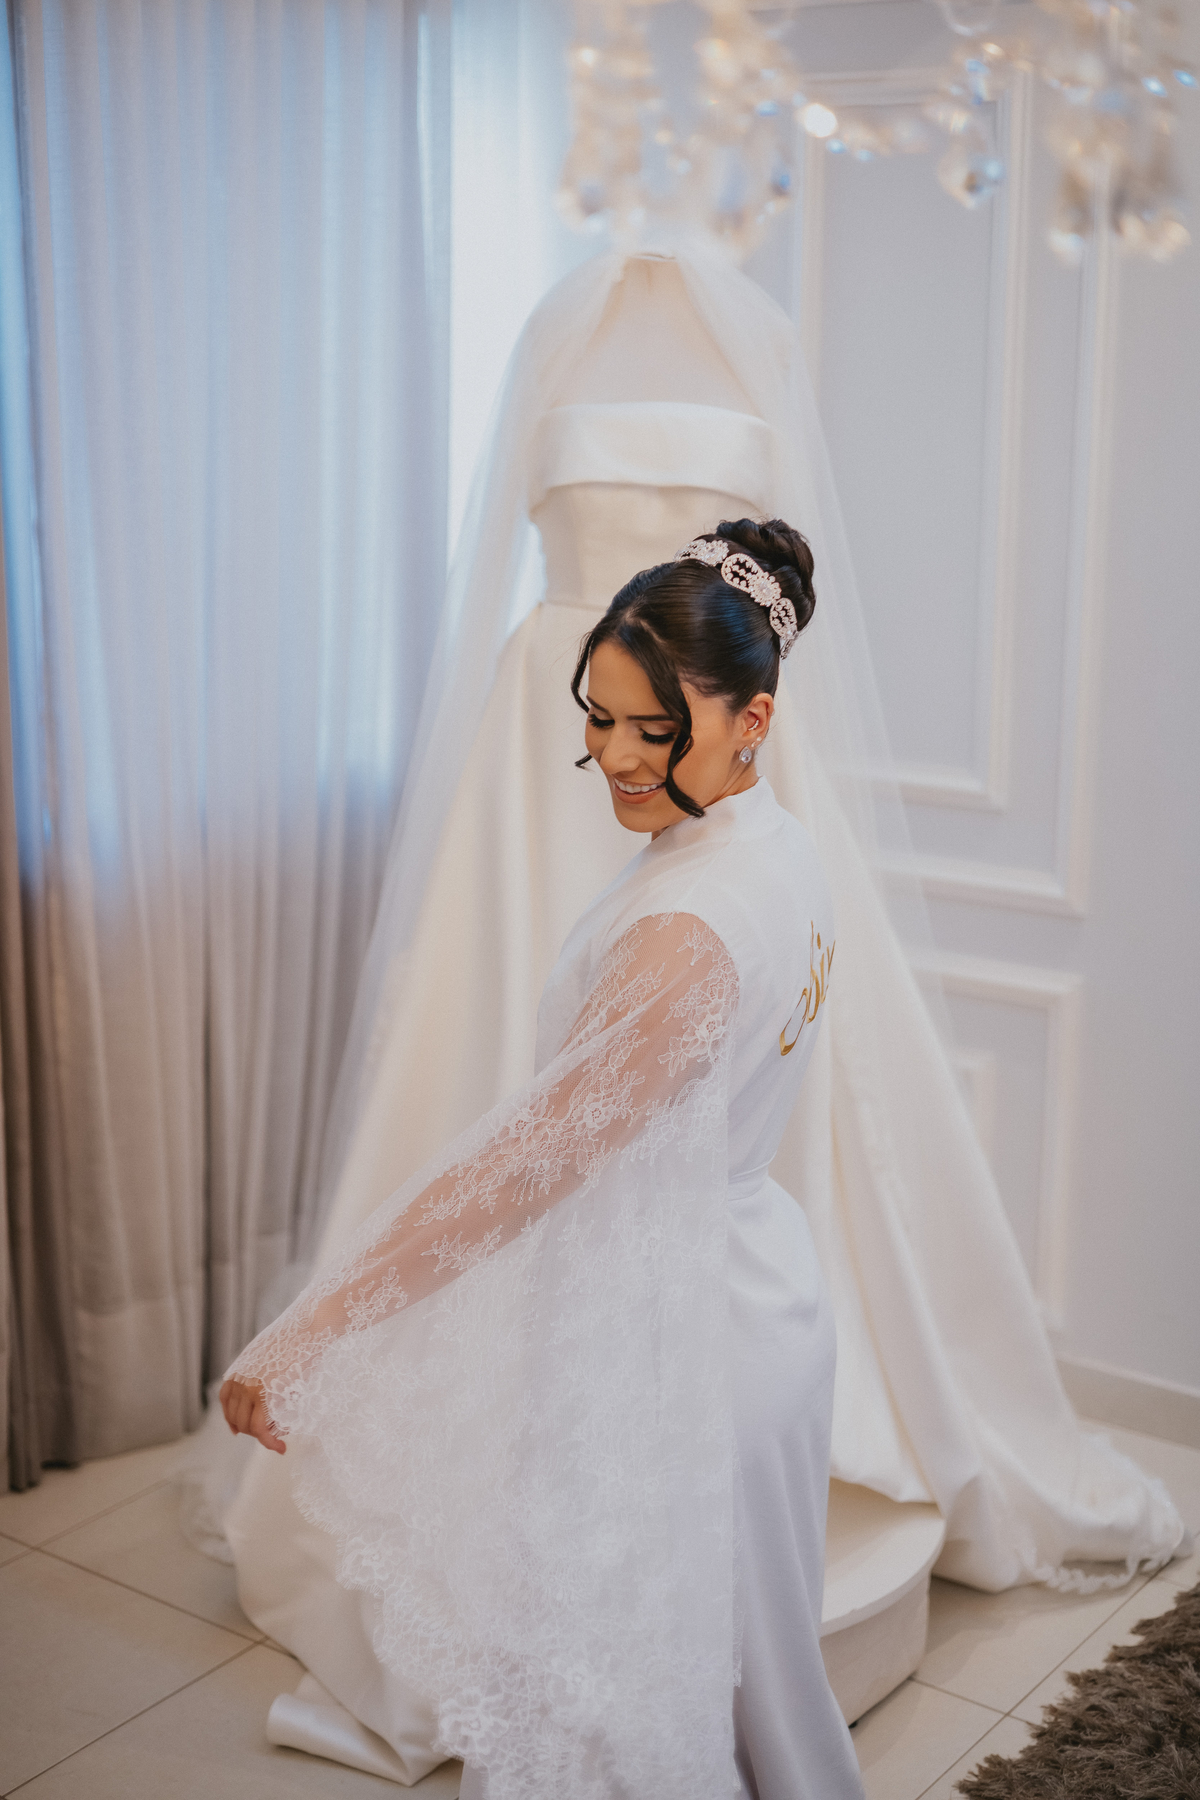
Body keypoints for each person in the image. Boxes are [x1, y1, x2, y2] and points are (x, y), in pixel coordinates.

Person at [221, 518, 867, 1800]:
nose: (616, 758)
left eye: (655, 729)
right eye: (601, 718)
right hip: (761, 1296)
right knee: (750, 1689)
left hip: (687, 1352)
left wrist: (318, 1328)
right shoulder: (775, 849)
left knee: (638, 1702)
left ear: (754, 719)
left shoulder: (687, 931)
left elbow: (522, 1169)